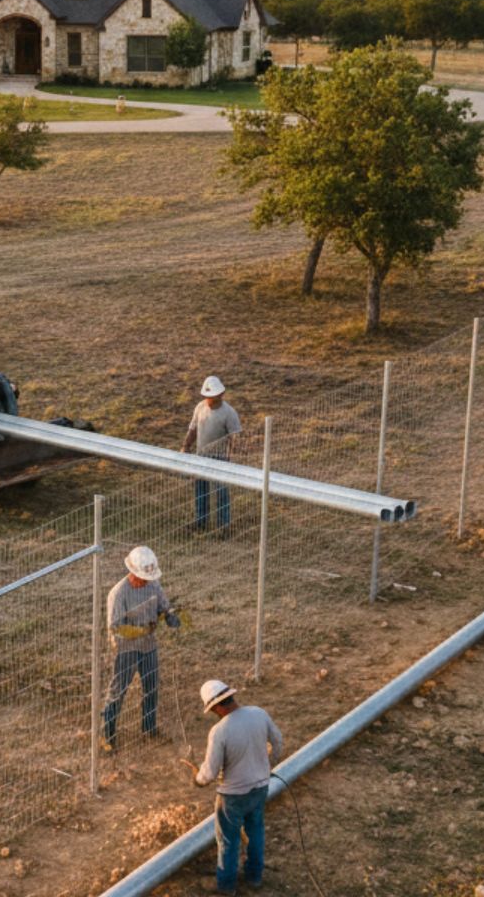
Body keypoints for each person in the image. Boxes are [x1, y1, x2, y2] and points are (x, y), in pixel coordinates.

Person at [183, 679, 283, 895]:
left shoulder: (219, 731)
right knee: (256, 830)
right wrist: (267, 765)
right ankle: (254, 877)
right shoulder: (259, 713)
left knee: (228, 841)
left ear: (217, 706)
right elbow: (278, 741)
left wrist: (197, 779)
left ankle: (226, 886)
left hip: (232, 796)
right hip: (260, 788)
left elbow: (209, 772)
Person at [101, 545, 179, 752]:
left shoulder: (153, 584)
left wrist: (170, 614)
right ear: (133, 572)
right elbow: (116, 628)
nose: (146, 581)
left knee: (151, 687)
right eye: (142, 577)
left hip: (149, 646)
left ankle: (149, 727)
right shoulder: (118, 594)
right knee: (118, 691)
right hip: (125, 650)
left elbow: (163, 605)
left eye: (148, 577)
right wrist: (142, 631)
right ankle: (107, 734)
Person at [183, 375, 241, 532]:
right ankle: (201, 522)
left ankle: (224, 526)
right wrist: (186, 446)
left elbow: (234, 437)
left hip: (220, 458)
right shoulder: (200, 408)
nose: (209, 399)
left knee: (221, 491)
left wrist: (231, 457)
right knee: (200, 490)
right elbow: (193, 429)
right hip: (201, 456)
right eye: (207, 396)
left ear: (221, 394)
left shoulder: (229, 413)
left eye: (213, 396)